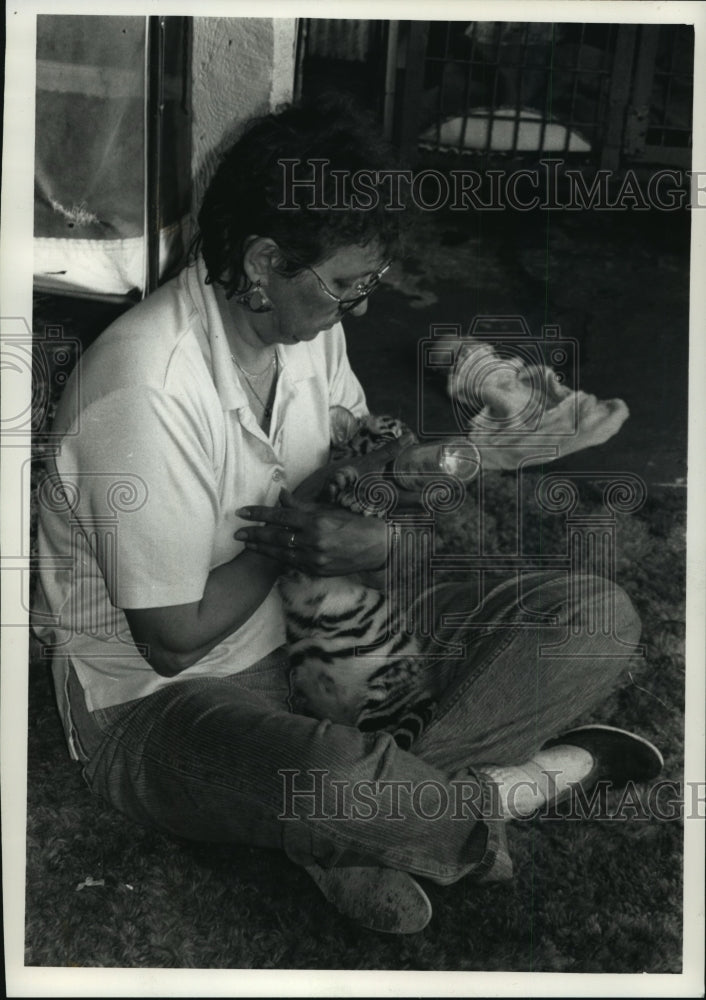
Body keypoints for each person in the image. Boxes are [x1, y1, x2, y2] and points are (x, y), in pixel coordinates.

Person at [34, 96, 662, 935]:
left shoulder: (300, 328)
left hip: (319, 626)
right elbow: (173, 637)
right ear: (262, 264)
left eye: (369, 282)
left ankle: (360, 830)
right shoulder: (143, 392)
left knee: (591, 617)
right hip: (163, 702)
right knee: (327, 781)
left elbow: (355, 461)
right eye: (344, 285)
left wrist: (425, 490)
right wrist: (301, 531)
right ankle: (523, 785)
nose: (359, 309)